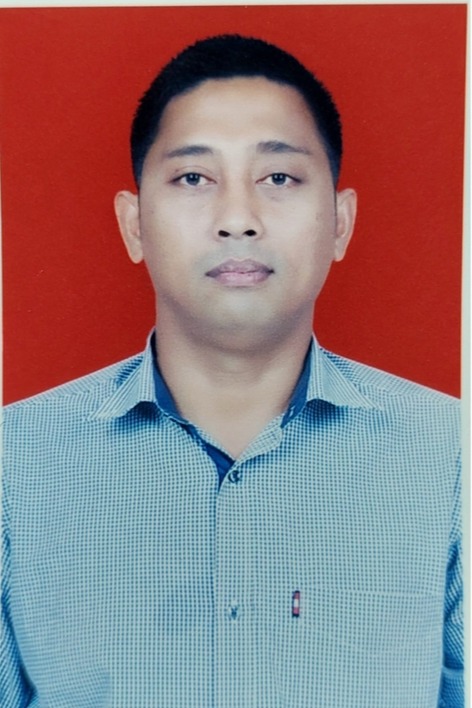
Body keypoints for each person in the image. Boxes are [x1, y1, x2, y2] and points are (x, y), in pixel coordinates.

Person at [1, 34, 462, 707]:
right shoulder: (15, 462)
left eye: (278, 178)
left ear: (340, 223)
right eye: (194, 178)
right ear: (134, 224)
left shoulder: (450, 456)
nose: (238, 220)